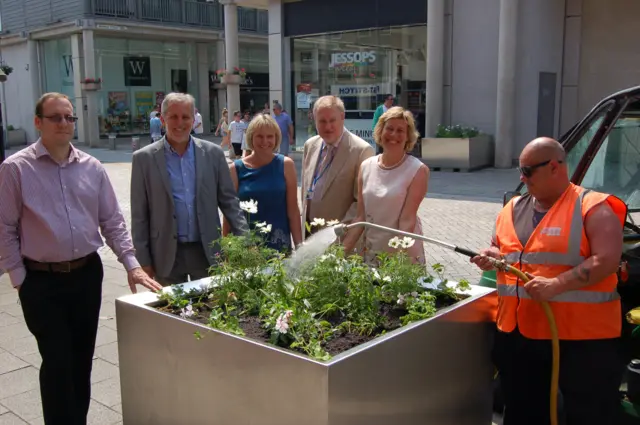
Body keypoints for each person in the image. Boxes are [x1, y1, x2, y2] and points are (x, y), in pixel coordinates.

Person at [0, 92, 162, 424]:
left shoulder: (91, 167)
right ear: (38, 122)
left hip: (87, 276)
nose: (63, 123)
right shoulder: (15, 169)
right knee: (57, 361)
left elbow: (113, 222)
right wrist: (19, 278)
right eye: (55, 117)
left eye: (68, 117)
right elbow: (5, 227)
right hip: (41, 280)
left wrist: (131, 265)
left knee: (82, 360)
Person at [470, 137, 626, 425]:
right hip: (519, 335)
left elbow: (607, 260)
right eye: (521, 170)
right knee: (522, 411)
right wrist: (490, 255)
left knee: (589, 414)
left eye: (528, 170)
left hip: (580, 340)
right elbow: (502, 249)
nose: (522, 177)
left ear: (554, 167)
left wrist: (556, 285)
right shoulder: (512, 209)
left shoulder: (592, 206)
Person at [131, 93, 248, 286]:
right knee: (170, 312)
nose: (180, 122)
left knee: (212, 311)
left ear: (193, 119)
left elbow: (230, 202)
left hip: (207, 251)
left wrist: (245, 240)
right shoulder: (144, 159)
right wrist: (143, 259)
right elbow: (139, 214)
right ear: (162, 119)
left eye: (185, 117)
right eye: (173, 117)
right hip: (165, 254)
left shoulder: (213, 154)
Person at [342, 107, 429, 264]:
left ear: (408, 136)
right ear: (380, 131)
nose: (394, 135)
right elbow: (360, 218)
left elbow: (407, 221)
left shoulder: (418, 170)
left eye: (400, 130)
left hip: (402, 253)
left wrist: (396, 262)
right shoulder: (366, 166)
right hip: (371, 250)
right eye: (389, 128)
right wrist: (338, 255)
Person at [222, 114, 302, 252]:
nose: (265, 141)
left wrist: (300, 248)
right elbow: (229, 214)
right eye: (259, 136)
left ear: (276, 138)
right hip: (246, 250)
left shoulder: (286, 165)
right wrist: (225, 250)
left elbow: (293, 211)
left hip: (279, 247)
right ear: (251, 137)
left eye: (270, 136)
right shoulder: (236, 169)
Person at [300, 95, 374, 238]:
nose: (328, 127)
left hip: (339, 241)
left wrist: (336, 236)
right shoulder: (310, 145)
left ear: (342, 117)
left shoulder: (362, 151)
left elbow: (360, 204)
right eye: (322, 121)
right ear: (314, 120)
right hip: (309, 234)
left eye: (332, 120)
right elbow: (305, 189)